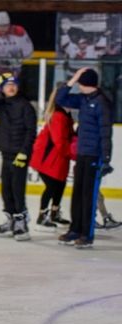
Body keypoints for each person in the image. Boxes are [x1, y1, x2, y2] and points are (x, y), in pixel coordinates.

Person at [56, 67, 113, 248]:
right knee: (78, 194)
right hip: (81, 154)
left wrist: (106, 158)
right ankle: (75, 229)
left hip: (94, 155)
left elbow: (106, 132)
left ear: (86, 84)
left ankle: (86, 235)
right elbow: (60, 99)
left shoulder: (101, 103)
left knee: (88, 196)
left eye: (80, 82)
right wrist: (71, 80)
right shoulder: (83, 99)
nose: (77, 85)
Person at [0, 72, 36, 241]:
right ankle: (10, 220)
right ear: (2, 89)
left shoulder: (26, 106)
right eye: (7, 85)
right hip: (6, 154)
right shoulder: (2, 105)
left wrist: (24, 153)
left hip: (19, 155)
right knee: (6, 190)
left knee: (18, 191)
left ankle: (21, 223)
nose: (11, 88)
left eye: (13, 85)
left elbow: (31, 132)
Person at [29, 85, 75, 232]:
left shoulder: (66, 115)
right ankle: (42, 216)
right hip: (47, 159)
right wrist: (74, 153)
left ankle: (54, 213)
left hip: (59, 158)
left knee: (60, 185)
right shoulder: (58, 116)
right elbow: (59, 141)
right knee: (52, 187)